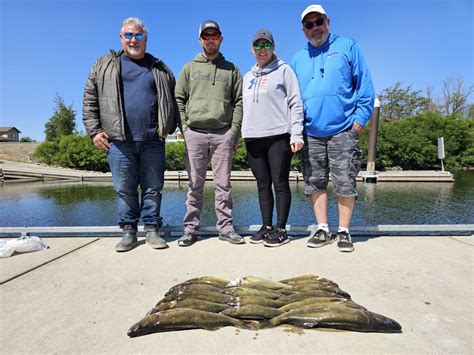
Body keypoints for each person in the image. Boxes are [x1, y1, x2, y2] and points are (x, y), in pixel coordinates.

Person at [83, 17, 178, 252]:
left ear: (146, 38)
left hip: (153, 140)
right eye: (128, 35)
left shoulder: (160, 68)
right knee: (125, 189)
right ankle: (128, 232)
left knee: (153, 188)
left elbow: (173, 100)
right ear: (121, 38)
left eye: (138, 35)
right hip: (119, 141)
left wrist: (171, 125)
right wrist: (94, 130)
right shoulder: (103, 65)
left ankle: (152, 229)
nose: (133, 40)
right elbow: (90, 99)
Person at [291, 4, 375, 252]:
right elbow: (293, 99)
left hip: (343, 130)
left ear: (327, 21)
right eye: (309, 25)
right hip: (311, 132)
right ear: (303, 29)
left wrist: (357, 124)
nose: (315, 28)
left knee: (345, 181)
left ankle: (344, 231)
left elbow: (365, 89)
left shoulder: (348, 46)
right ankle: (323, 228)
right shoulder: (298, 58)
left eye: (318, 22)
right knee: (315, 182)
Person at [175, 20, 244, 247]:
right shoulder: (188, 68)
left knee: (223, 185)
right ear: (200, 39)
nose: (211, 39)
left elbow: (239, 102)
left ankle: (225, 228)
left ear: (221, 39)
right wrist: (185, 128)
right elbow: (179, 100)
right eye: (206, 36)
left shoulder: (232, 69)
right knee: (195, 184)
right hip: (194, 133)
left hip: (222, 133)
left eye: (214, 35)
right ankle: (189, 229)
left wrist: (234, 132)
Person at [241, 29, 304, 247]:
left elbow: (296, 102)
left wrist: (296, 132)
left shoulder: (284, 70)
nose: (262, 49)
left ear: (273, 47)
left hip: (278, 135)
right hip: (253, 137)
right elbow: (242, 108)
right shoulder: (247, 77)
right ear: (252, 49)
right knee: (262, 184)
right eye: (258, 45)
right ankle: (266, 226)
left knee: (280, 182)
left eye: (266, 45)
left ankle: (281, 228)